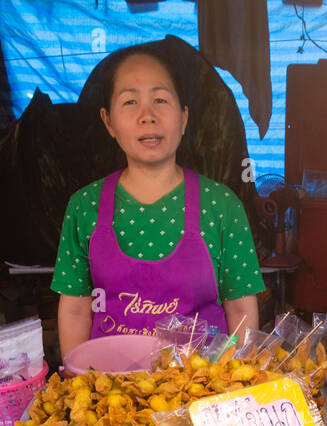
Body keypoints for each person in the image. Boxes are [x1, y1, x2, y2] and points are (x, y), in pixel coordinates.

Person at [51, 45, 264, 355]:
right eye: (130, 101)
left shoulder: (221, 204)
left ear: (183, 117)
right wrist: (77, 380)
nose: (147, 116)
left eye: (161, 100)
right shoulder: (84, 206)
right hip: (110, 388)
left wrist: (240, 379)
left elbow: (241, 306)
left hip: (199, 390)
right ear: (108, 121)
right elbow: (74, 309)